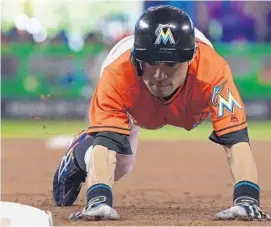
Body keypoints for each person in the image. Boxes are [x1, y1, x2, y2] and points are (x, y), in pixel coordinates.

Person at [52, 5, 270, 221]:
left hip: (177, 96)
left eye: (171, 64)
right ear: (138, 59)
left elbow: (236, 141)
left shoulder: (213, 73)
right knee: (120, 165)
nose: (159, 74)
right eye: (151, 61)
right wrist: (98, 199)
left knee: (117, 166)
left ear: (190, 59)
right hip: (137, 101)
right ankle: (79, 156)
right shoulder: (117, 73)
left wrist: (247, 200)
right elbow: (106, 145)